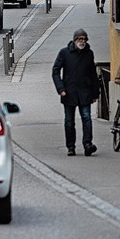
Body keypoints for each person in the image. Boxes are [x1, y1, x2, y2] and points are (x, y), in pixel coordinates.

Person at [52, 29, 99, 157]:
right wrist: (60, 88)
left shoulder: (89, 54)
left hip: (85, 91)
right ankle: (71, 147)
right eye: (80, 39)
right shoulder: (64, 53)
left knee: (87, 118)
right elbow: (55, 71)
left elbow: (93, 74)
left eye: (84, 39)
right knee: (69, 121)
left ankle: (88, 144)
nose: (82, 42)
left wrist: (95, 93)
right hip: (69, 92)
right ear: (74, 40)